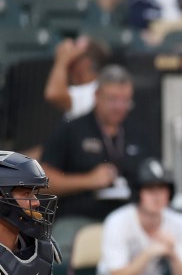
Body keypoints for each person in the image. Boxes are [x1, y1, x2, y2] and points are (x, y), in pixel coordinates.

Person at [40, 64, 155, 259]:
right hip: (78, 219)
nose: (119, 106)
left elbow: (153, 180)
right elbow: (41, 180)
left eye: (125, 100)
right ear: (96, 96)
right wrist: (88, 180)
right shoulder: (72, 129)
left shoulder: (139, 134)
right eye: (112, 99)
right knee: (61, 251)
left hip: (128, 219)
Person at [44, 35, 111, 120]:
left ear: (86, 63)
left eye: (73, 55)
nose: (70, 59)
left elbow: (53, 94)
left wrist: (62, 60)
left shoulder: (93, 91)